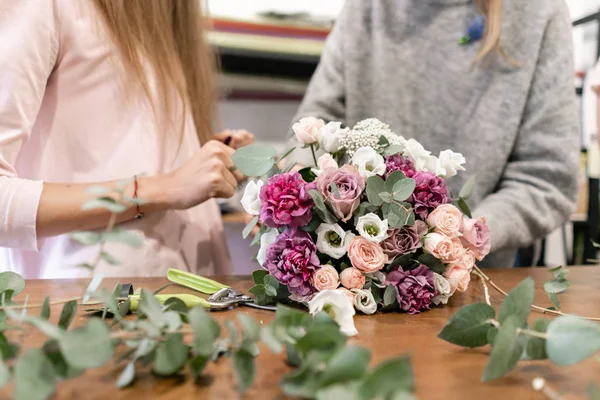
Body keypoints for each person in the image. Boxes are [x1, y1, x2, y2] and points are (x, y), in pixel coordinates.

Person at [291, 0, 580, 267]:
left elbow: (547, 179)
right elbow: (312, 134)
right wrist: (293, 188)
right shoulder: (366, 7)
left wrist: (460, 237)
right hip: (353, 277)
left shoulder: (538, 10)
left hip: (476, 281)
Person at [0, 0, 252, 279]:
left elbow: (110, 146)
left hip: (186, 293)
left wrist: (194, 156)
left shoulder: (162, 18)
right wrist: (164, 188)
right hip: (91, 306)